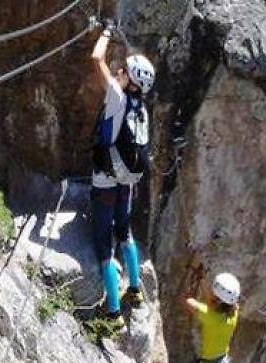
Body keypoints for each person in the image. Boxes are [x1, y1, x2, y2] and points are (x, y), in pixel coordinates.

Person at [90, 21, 155, 330]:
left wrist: (105, 32)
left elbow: (95, 59)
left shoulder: (117, 95)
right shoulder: (141, 107)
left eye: (125, 70)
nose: (119, 71)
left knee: (104, 243)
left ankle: (113, 311)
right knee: (125, 231)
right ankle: (135, 290)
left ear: (129, 81)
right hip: (129, 180)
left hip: (106, 178)